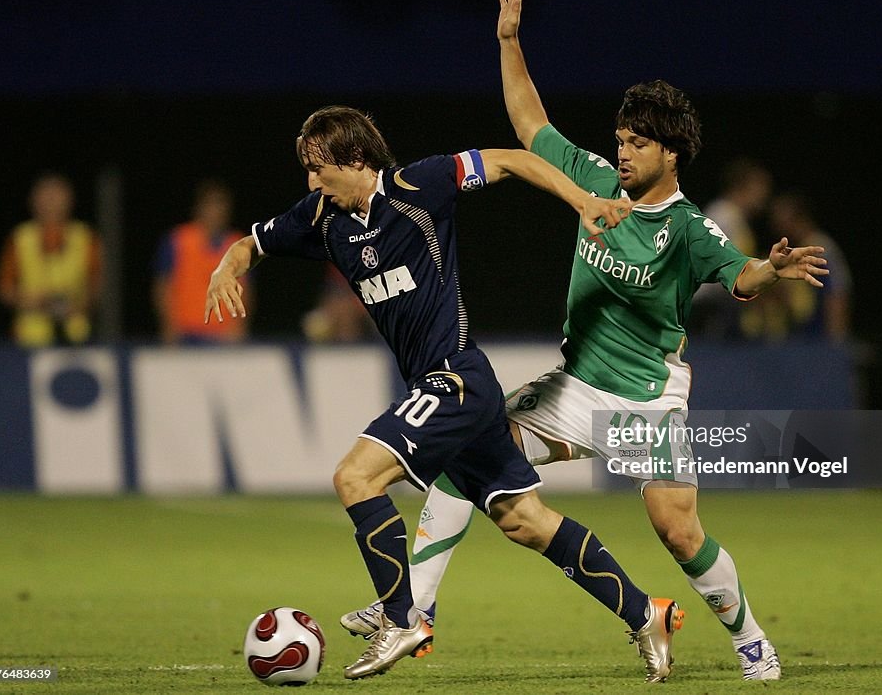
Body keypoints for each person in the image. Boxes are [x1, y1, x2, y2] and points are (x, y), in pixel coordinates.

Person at [339, 0, 828, 682]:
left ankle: (752, 639)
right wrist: (509, 42)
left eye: (637, 143)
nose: (623, 151)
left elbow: (740, 278)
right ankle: (414, 613)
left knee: (677, 530)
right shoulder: (595, 180)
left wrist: (770, 268)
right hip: (574, 390)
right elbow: (530, 125)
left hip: (646, 401)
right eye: (621, 138)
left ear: (671, 154)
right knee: (467, 454)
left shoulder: (690, 229)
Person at [204, 105, 684, 682]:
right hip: (453, 390)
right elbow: (250, 243)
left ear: (356, 160)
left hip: (454, 378)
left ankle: (404, 619)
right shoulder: (321, 217)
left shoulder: (420, 185)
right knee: (523, 519)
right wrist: (223, 269)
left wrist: (582, 201)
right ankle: (644, 613)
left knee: (355, 477)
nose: (311, 182)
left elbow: (512, 160)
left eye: (317, 168)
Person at [0, 172, 101, 347]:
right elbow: (4, 290)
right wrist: (37, 302)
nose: (51, 202)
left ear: (70, 199)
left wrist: (78, 305)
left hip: (76, 335)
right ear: (32, 200)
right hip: (29, 336)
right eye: (45, 195)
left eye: (57, 195)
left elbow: (97, 285)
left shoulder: (85, 237)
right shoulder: (20, 238)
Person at [153, 179, 251, 344]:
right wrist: (169, 326)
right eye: (210, 205)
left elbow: (246, 290)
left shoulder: (238, 244)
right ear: (198, 207)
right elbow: (163, 287)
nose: (216, 212)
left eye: (221, 205)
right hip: (184, 333)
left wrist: (238, 326)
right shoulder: (178, 240)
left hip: (223, 337)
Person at [692, 158, 773, 339]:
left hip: (721, 306)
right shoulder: (722, 214)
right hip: (702, 307)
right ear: (741, 186)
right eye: (759, 187)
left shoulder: (737, 218)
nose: (764, 194)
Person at [766, 191, 852, 341]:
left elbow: (837, 294)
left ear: (798, 218)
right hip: (801, 339)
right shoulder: (795, 250)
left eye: (780, 219)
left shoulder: (821, 248)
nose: (775, 225)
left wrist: (835, 341)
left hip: (820, 340)